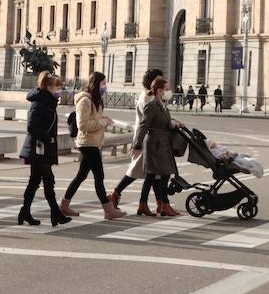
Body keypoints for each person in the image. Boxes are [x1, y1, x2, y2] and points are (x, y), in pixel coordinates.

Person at [62, 71, 126, 220]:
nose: (105, 87)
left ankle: (64, 205)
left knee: (81, 176)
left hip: (93, 142)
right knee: (99, 176)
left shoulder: (95, 100)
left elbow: (93, 119)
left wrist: (103, 119)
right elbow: (82, 124)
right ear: (95, 84)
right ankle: (109, 210)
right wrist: (101, 123)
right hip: (87, 143)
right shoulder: (84, 101)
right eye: (103, 84)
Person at [18, 72, 71, 226]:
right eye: (57, 86)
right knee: (48, 180)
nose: (60, 89)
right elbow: (32, 127)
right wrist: (49, 138)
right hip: (37, 148)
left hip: (43, 149)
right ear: (48, 87)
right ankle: (56, 213)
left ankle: (25, 212)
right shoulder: (39, 103)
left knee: (34, 182)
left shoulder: (49, 102)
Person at [109, 69, 163, 213]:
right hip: (144, 140)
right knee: (136, 172)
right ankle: (115, 195)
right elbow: (146, 122)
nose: (161, 83)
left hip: (148, 139)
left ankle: (159, 204)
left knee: (153, 174)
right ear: (151, 82)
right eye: (158, 80)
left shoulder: (150, 96)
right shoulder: (146, 97)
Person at [132, 77, 181, 217]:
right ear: (159, 91)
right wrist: (137, 145)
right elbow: (143, 125)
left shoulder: (162, 104)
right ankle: (163, 205)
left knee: (153, 176)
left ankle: (145, 204)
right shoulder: (152, 105)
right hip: (155, 143)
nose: (168, 92)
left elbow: (164, 122)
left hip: (162, 142)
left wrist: (174, 124)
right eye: (166, 89)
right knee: (161, 174)